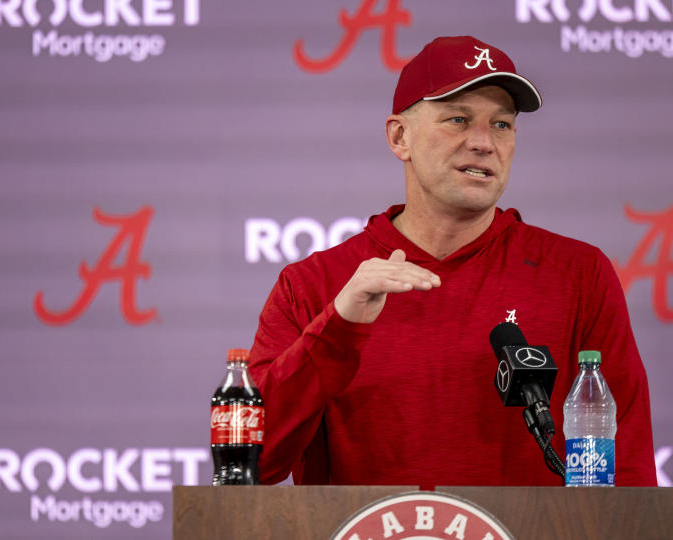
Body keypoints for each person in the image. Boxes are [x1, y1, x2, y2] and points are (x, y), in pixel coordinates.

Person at [248, 36, 657, 487]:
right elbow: (252, 463)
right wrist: (337, 329)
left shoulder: (578, 274)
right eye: (458, 119)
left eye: (501, 125)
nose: (483, 143)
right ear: (399, 137)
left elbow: (629, 475)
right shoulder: (313, 284)